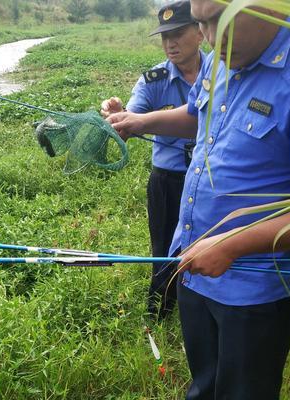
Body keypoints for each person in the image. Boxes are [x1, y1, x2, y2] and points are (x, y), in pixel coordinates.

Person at [107, 1, 290, 398]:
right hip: (193, 260)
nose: (210, 36)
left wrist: (232, 245)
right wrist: (141, 121)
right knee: (206, 383)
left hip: (255, 287)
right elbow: (200, 115)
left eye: (220, 20)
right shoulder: (221, 58)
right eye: (201, 23)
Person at [100, 0, 206, 320]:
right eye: (164, 36)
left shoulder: (223, 71)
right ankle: (158, 316)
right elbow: (130, 120)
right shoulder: (153, 80)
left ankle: (204, 311)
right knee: (165, 251)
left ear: (200, 32)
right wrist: (118, 115)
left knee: (211, 246)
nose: (170, 43)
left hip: (213, 176)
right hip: (168, 179)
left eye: (178, 33)